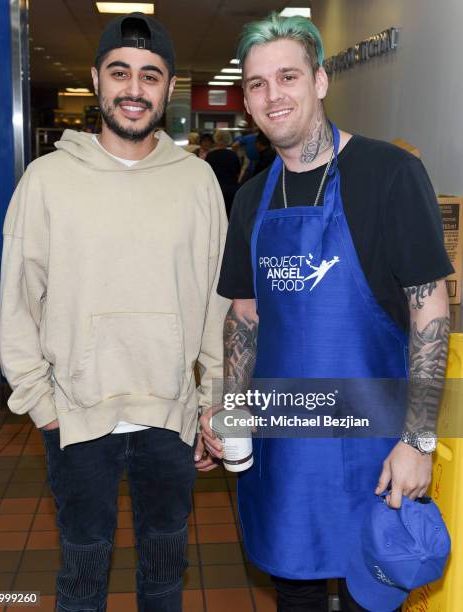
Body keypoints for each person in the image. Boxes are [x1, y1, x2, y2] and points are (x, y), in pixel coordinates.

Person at [200, 12, 452, 612]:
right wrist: (233, 413)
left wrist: (419, 438)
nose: (272, 95)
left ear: (319, 81)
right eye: (257, 84)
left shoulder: (389, 174)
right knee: (296, 593)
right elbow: (245, 316)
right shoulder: (252, 197)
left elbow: (431, 311)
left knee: (377, 594)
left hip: (379, 445)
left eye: (287, 77)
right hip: (287, 449)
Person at [0, 12, 228, 612]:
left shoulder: (198, 182)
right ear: (96, 79)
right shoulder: (46, 181)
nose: (134, 88)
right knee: (81, 583)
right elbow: (18, 303)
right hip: (77, 423)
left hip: (169, 422)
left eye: (150, 76)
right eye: (120, 72)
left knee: (163, 580)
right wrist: (40, 404)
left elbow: (216, 304)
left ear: (168, 87)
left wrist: (214, 402)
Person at [205, 129, 241, 217]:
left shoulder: (210, 155)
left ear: (215, 139)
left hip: (215, 189)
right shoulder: (233, 154)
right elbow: (238, 172)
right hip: (232, 189)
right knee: (230, 216)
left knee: (217, 216)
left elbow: (206, 173)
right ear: (228, 140)